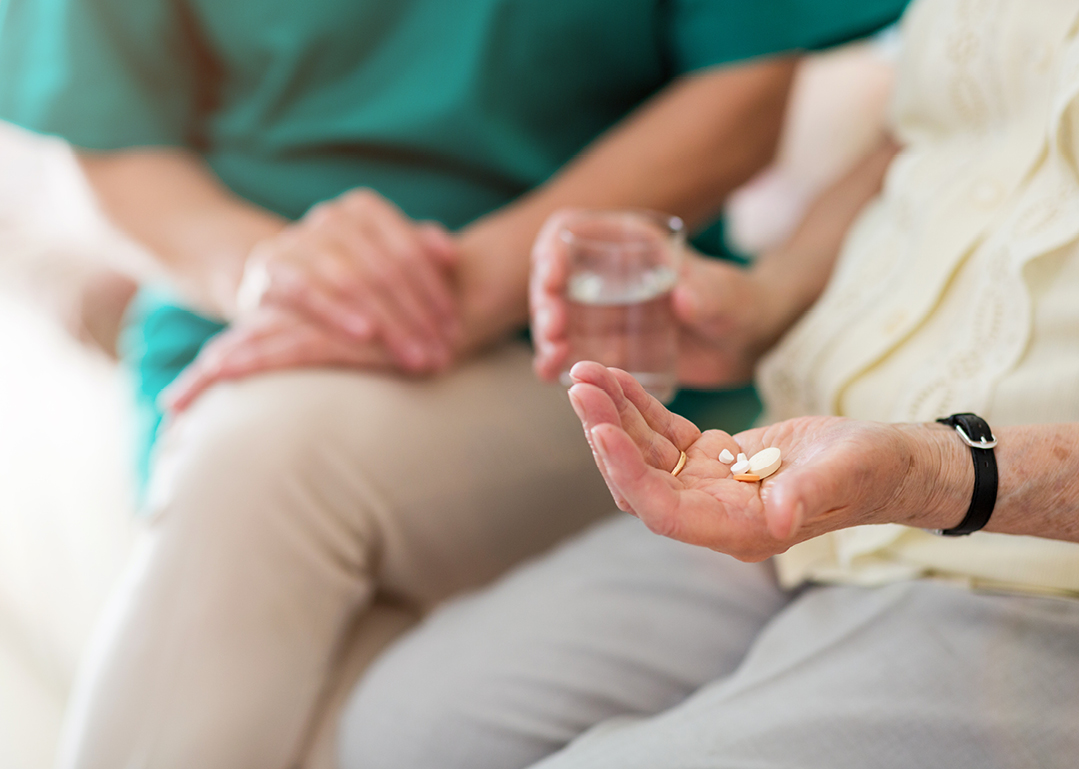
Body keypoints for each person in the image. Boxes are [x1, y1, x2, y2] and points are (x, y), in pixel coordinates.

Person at [0, 1, 911, 767]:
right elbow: (110, 136)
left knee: (266, 458)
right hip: (251, 321)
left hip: (586, 343)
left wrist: (479, 281)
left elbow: (742, 82)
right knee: (311, 685)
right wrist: (271, 271)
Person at [336, 1, 1079, 767]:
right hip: (815, 494)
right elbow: (926, 136)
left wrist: (932, 471)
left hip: (1028, 561)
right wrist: (764, 299)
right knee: (404, 729)